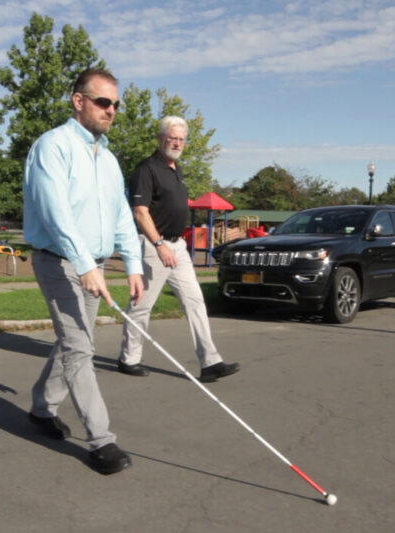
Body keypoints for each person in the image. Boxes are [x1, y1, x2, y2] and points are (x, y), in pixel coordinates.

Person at [23, 68, 145, 475]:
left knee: (77, 340)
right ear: (79, 101)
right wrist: (83, 263)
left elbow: (122, 216)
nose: (111, 110)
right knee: (79, 347)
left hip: (90, 263)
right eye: (102, 102)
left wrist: (131, 264)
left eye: (115, 104)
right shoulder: (52, 147)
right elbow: (55, 213)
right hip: (57, 259)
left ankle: (41, 407)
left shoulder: (108, 159)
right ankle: (101, 441)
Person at [117, 116, 240, 383]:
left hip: (178, 247)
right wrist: (159, 244)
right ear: (160, 138)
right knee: (141, 305)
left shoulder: (176, 169)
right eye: (172, 137)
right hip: (154, 246)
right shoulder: (146, 169)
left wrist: (171, 245)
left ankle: (210, 362)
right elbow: (140, 212)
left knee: (194, 301)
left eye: (181, 139)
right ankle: (129, 358)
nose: (177, 143)